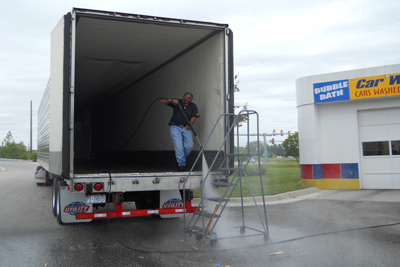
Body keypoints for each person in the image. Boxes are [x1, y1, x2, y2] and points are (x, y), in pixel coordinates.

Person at [161, 92, 199, 171]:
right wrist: (171, 101)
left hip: (186, 128)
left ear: (191, 100)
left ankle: (180, 159)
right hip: (175, 127)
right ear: (182, 97)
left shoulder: (193, 106)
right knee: (179, 147)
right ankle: (181, 165)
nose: (186, 102)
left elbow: (193, 117)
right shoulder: (177, 102)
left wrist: (190, 125)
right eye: (185, 100)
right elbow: (162, 101)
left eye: (188, 101)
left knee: (189, 145)